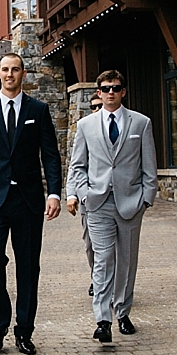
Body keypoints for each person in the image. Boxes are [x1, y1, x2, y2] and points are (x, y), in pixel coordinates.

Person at [0, 53, 63, 355]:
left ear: (23, 74)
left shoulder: (38, 109)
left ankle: (24, 331)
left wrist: (54, 193)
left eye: (15, 70)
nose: (10, 74)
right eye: (5, 70)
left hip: (29, 202)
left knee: (28, 269)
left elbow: (50, 155)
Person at [67, 70, 157, 344]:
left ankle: (123, 312)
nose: (110, 92)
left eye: (115, 88)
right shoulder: (86, 126)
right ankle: (103, 320)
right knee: (103, 261)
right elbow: (77, 165)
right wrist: (79, 194)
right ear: (98, 92)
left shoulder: (141, 123)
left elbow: (149, 166)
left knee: (127, 262)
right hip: (97, 203)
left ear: (123, 92)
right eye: (105, 88)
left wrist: (146, 198)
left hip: (131, 203)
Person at [84, 95, 103, 298]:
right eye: (93, 106)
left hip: (119, 199)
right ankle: (95, 277)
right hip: (89, 198)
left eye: (99, 105)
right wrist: (74, 194)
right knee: (91, 245)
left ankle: (108, 286)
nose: (96, 109)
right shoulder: (86, 128)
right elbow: (77, 164)